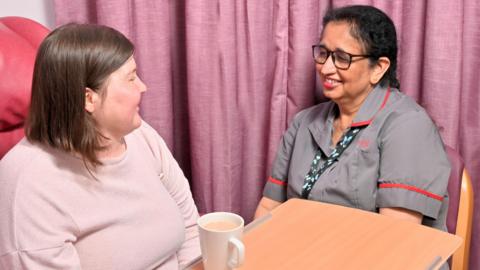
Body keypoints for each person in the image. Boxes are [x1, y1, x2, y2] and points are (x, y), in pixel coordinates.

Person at [0, 23, 200, 269]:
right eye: (130, 79)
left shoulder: (140, 136)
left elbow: (191, 230)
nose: (143, 87)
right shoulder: (29, 186)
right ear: (88, 99)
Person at [255, 5, 450, 232]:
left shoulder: (408, 126)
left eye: (341, 57)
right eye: (323, 53)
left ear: (378, 68)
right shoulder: (303, 122)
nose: (326, 68)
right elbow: (270, 206)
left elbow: (397, 237)